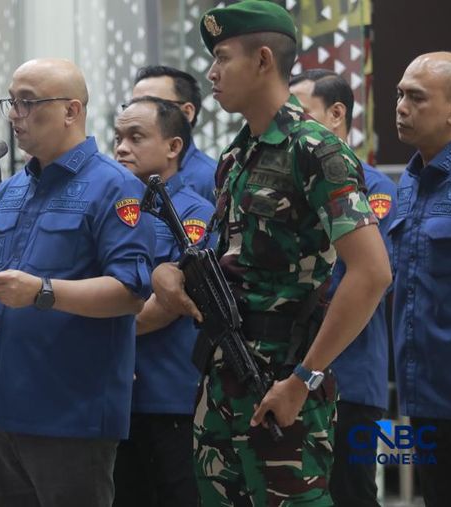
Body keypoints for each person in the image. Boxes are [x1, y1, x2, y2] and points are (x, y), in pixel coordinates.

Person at [151, 2, 392, 504]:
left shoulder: (317, 150)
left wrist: (305, 378)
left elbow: (372, 273)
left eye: (222, 57)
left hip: (282, 382)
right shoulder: (238, 154)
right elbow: (225, 253)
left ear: (263, 60)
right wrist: (171, 273)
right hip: (222, 376)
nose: (212, 73)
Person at [0, 58, 155, 507]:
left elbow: (131, 292)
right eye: (11, 102)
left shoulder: (115, 186)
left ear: (71, 110)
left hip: (70, 411)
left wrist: (42, 291)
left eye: (28, 102)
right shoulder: (11, 189)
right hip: (2, 405)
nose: (15, 114)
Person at [290, 69, 397, 507]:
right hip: (289, 375)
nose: (290, 126)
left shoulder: (370, 186)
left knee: (351, 492)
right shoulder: (288, 186)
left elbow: (371, 279)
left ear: (336, 115)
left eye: (300, 114)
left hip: (349, 379)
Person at [111, 96, 214, 507]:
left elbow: (169, 303)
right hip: (115, 398)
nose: (122, 148)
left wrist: (100, 326)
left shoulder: (193, 213)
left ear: (173, 146)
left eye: (136, 137)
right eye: (118, 138)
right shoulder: (114, 209)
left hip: (169, 396)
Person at [391, 51, 451, 506]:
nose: (402, 107)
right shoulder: (410, 180)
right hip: (423, 392)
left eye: (417, 98)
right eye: (400, 94)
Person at [131, 65, 218, 203]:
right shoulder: (128, 172)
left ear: (187, 113)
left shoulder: (212, 179)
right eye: (133, 105)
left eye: (152, 104)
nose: (136, 114)